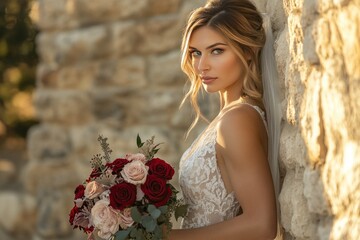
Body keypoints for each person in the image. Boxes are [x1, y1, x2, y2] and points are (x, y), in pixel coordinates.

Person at [167, 0, 282, 239]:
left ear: (248, 51)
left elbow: (262, 225)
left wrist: (165, 237)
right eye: (196, 53)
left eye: (216, 51)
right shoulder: (227, 117)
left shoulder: (238, 119)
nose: (201, 65)